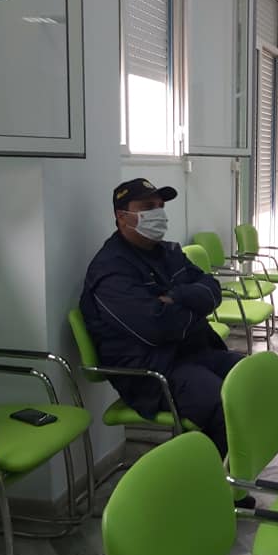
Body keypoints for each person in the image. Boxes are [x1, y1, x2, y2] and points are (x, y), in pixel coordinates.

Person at [79, 178, 245, 463]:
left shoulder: (169, 253)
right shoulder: (111, 270)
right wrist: (194, 307)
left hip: (192, 352)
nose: (158, 213)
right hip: (150, 371)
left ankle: (239, 471)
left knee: (257, 378)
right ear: (122, 216)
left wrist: (177, 297)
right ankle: (207, 480)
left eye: (160, 206)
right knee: (224, 405)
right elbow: (157, 328)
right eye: (147, 207)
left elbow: (212, 290)